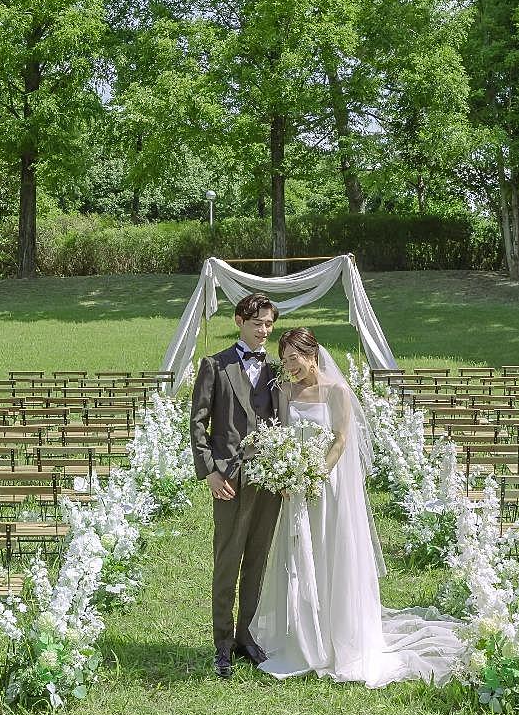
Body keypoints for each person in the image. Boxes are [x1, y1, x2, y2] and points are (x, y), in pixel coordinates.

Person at [250, 327, 462, 688]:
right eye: (284, 361)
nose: (290, 367)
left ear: (312, 354)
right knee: (300, 557)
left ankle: (338, 638)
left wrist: (314, 474)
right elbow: (285, 435)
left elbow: (341, 440)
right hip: (296, 487)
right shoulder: (286, 390)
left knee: (330, 554)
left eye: (295, 359)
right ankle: (303, 638)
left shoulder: (337, 392)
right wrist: (285, 473)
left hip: (325, 486)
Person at [190, 293, 283, 678]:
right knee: (228, 562)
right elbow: (198, 423)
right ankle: (222, 644)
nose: (264, 331)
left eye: (269, 325)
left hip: (270, 481)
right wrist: (209, 471)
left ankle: (247, 636)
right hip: (228, 479)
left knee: (257, 560)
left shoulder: (276, 370)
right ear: (239, 320)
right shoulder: (215, 365)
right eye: (258, 323)